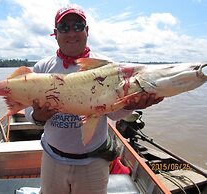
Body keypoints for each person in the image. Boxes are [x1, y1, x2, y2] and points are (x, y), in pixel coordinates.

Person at [25, 4, 163, 194]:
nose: (71, 33)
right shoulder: (42, 68)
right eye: (64, 27)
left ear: (87, 30)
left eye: (78, 26)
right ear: (55, 33)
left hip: (93, 161)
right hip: (52, 158)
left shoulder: (108, 67)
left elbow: (114, 115)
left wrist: (130, 105)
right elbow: (28, 113)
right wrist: (39, 116)